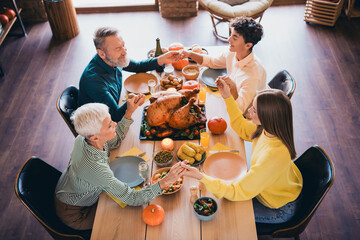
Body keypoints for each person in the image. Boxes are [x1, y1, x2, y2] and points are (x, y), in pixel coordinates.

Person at [180, 78, 303, 224]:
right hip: (264, 186)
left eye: (254, 110)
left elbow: (237, 191)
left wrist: (200, 177)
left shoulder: (273, 156)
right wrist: (227, 96)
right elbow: (242, 127)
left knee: (226, 218)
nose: (249, 111)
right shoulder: (269, 129)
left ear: (267, 117)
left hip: (277, 206)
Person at [55, 99, 186, 230]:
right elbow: (132, 198)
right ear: (94, 137)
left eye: (111, 120)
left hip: (82, 191)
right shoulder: (96, 168)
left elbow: (114, 141)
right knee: (124, 222)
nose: (115, 124)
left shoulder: (84, 138)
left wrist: (129, 113)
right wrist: (165, 181)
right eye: (109, 126)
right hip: (76, 213)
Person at [78, 27, 183, 122]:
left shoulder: (113, 59)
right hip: (99, 126)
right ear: (101, 53)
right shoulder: (94, 81)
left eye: (123, 45)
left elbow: (137, 66)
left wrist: (162, 59)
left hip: (117, 103)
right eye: (118, 48)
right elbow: (115, 116)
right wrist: (133, 101)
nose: (124, 51)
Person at [181, 16, 267, 113]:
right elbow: (212, 62)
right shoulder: (233, 52)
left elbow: (241, 109)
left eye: (234, 38)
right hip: (229, 98)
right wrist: (189, 54)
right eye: (231, 35)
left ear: (248, 45)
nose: (228, 40)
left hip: (249, 115)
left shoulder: (252, 75)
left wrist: (233, 87)